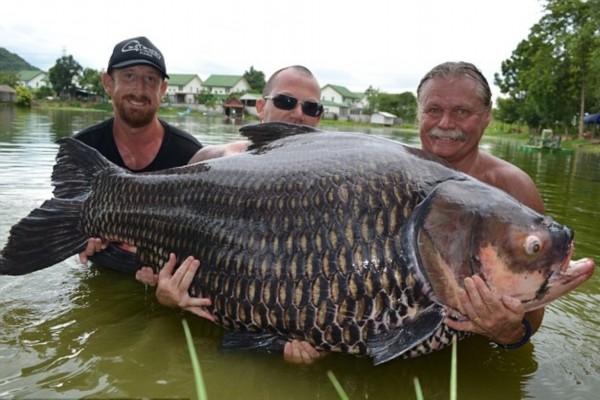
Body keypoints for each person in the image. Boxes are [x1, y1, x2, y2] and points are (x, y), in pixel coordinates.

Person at [416, 61, 545, 348]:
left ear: (486, 116)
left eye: (462, 112)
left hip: (470, 350)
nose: (445, 124)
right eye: (433, 110)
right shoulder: (389, 177)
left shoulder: (514, 188)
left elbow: (535, 310)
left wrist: (510, 333)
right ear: (419, 113)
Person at [77, 36, 203, 272]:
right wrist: (77, 239)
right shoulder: (84, 147)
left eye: (150, 79)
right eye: (129, 76)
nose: (139, 90)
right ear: (108, 82)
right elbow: (66, 214)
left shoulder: (191, 154)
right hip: (102, 267)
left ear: (162, 89)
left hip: (164, 275)